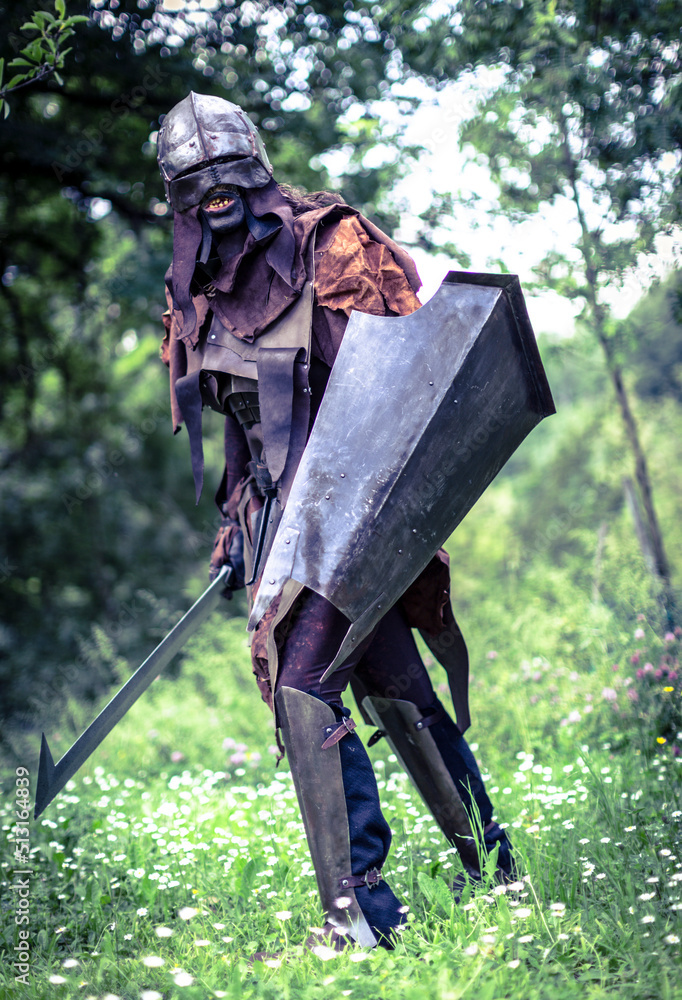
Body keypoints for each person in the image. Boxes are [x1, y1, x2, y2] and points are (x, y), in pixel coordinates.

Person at [157, 92, 513, 950]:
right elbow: (239, 432)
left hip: (363, 509)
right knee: (396, 687)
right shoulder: (195, 295)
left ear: (254, 170)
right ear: (176, 197)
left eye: (226, 173)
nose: (214, 190)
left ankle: (359, 917)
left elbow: (409, 374)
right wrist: (239, 525)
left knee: (303, 687)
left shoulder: (330, 243)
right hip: (285, 525)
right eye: (192, 182)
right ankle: (496, 874)